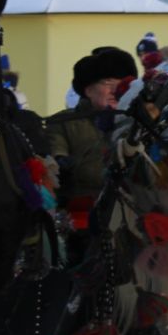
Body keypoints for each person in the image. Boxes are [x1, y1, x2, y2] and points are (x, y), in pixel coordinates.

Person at [47, 47, 138, 254]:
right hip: (82, 212)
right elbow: (56, 150)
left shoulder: (134, 123)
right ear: (88, 90)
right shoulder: (63, 122)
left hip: (131, 210)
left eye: (123, 85)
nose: (117, 91)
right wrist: (61, 162)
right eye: (108, 84)